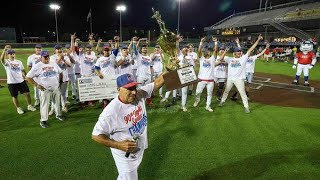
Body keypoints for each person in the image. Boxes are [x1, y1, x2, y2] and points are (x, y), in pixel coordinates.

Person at [92, 73, 165, 180]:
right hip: (125, 156)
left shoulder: (139, 94)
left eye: (134, 87)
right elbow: (96, 135)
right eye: (129, 89)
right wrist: (118, 145)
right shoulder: (111, 112)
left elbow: (157, 83)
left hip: (138, 147)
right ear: (118, 89)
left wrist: (168, 69)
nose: (134, 92)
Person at [218, 34, 264, 113]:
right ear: (234, 53)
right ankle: (222, 101)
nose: (239, 52)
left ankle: (246, 107)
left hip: (239, 79)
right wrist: (225, 51)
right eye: (237, 51)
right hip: (230, 79)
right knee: (226, 91)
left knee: (242, 93)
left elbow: (251, 49)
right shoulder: (229, 59)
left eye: (240, 51)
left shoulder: (243, 58)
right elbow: (221, 59)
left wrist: (258, 40)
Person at [26, 51, 65, 128]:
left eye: (48, 56)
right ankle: (43, 120)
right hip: (45, 90)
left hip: (55, 88)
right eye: (45, 57)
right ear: (41, 57)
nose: (47, 58)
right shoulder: (37, 66)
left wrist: (60, 81)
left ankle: (58, 115)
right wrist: (37, 85)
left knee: (57, 103)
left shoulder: (53, 63)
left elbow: (60, 72)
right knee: (45, 105)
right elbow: (28, 77)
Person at [193, 37, 228, 112]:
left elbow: (215, 50)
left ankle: (208, 106)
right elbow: (199, 51)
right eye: (206, 51)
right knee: (198, 92)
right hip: (201, 80)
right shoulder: (202, 59)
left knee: (209, 94)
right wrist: (201, 42)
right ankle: (197, 101)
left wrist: (216, 42)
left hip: (210, 80)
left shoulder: (212, 59)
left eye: (208, 51)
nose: (207, 52)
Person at [1, 46, 36, 114]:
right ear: (8, 55)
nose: (12, 55)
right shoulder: (7, 62)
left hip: (21, 81)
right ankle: (18, 108)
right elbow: (2, 59)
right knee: (14, 96)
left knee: (27, 94)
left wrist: (26, 76)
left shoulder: (19, 62)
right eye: (10, 54)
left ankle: (29, 106)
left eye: (13, 54)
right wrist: (4, 50)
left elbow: (22, 70)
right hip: (12, 83)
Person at [132, 38, 154, 106]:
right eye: (143, 48)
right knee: (139, 90)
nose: (145, 49)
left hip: (148, 76)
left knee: (148, 90)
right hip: (141, 76)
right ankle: (138, 102)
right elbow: (135, 50)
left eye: (146, 48)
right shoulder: (139, 56)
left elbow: (151, 67)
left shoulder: (149, 58)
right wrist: (134, 42)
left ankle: (149, 101)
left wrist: (152, 76)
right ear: (141, 50)